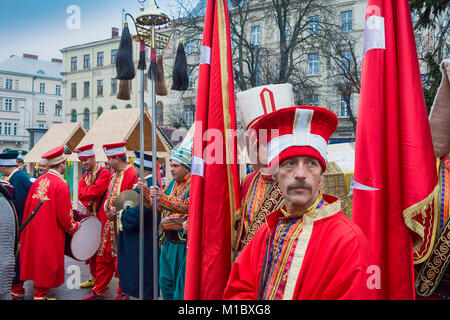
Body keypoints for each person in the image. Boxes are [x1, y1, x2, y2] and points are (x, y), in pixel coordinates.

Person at [223, 105, 376, 300]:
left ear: (321, 174)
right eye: (289, 163)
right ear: (274, 173)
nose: (301, 174)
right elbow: (239, 290)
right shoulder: (266, 233)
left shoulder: (349, 241)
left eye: (311, 163)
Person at [234, 84, 296, 255]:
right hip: (249, 263)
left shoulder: (301, 180)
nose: (271, 147)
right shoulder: (249, 181)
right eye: (264, 141)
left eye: (277, 140)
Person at [19, 145, 80, 300]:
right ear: (61, 165)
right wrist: (75, 227)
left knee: (36, 263)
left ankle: (40, 294)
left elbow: (28, 208)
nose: (65, 166)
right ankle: (40, 296)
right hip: (49, 233)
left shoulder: (39, 181)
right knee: (45, 266)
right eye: (65, 164)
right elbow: (65, 217)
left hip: (33, 232)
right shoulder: (61, 185)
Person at [82, 142, 137, 300]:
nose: (107, 162)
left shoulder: (130, 173)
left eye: (109, 159)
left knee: (121, 258)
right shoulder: (115, 173)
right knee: (103, 256)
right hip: (109, 223)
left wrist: (119, 212)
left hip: (123, 225)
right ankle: (99, 288)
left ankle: (123, 291)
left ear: (117, 159)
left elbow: (134, 202)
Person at [148, 137, 192, 300]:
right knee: (165, 284)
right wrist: (148, 193)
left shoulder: (195, 183)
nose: (171, 169)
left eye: (176, 166)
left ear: (187, 167)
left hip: (182, 245)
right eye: (171, 165)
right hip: (167, 243)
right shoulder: (172, 183)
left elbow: (188, 206)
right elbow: (161, 207)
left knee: (180, 290)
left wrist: (163, 199)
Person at [116, 151, 160, 299]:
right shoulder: (146, 182)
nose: (133, 168)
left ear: (142, 168)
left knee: (145, 273)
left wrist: (121, 214)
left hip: (144, 235)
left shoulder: (150, 184)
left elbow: (144, 210)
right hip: (143, 234)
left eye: (135, 165)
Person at [73, 144, 111, 289]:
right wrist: (88, 193)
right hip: (91, 217)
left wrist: (87, 193)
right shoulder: (85, 175)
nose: (84, 163)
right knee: (91, 247)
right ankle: (94, 277)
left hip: (102, 217)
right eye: (82, 161)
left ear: (93, 157)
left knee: (101, 250)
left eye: (86, 160)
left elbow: (97, 191)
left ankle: (101, 282)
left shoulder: (104, 172)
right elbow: (81, 193)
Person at [0, 151, 33, 300]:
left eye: (1, 167)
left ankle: (17, 288)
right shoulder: (13, 177)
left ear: (5, 167)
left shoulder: (18, 178)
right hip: (14, 222)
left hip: (18, 224)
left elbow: (18, 203)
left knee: (16, 256)